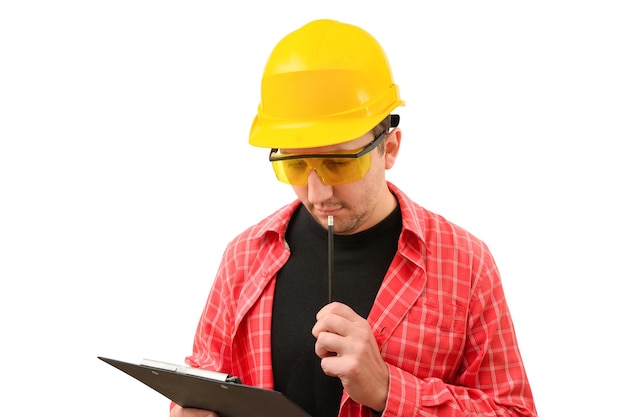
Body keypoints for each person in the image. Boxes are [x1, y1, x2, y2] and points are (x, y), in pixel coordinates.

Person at [170, 19, 537, 417]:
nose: (318, 192)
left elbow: (513, 411)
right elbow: (203, 380)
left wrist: (386, 389)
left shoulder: (466, 264)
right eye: (295, 166)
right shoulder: (244, 256)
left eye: (338, 163)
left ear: (390, 147)